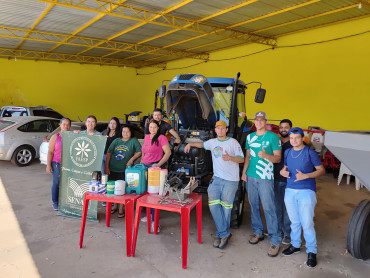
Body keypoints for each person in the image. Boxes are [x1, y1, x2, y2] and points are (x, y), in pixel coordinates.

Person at [184, 120, 244, 249]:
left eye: (222, 128)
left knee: (226, 209)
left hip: (230, 180)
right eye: (218, 128)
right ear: (215, 130)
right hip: (216, 179)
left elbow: (242, 158)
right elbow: (202, 145)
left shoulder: (233, 142)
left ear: (226, 129)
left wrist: (230, 158)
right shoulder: (212, 143)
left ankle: (221, 234)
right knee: (214, 206)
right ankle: (224, 233)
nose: (220, 130)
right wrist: (190, 144)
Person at [280, 127, 325, 268]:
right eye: (292, 138)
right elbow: (285, 168)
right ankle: (295, 245)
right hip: (290, 190)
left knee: (307, 223)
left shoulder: (309, 152)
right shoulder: (287, 152)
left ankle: (312, 251)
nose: (294, 140)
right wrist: (283, 172)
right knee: (294, 221)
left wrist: (306, 175)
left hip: (306, 191)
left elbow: (321, 170)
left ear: (302, 138)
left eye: (297, 138)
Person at [241, 111, 282, 257]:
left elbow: (277, 158)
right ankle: (258, 232)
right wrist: (244, 172)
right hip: (251, 177)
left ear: (266, 121)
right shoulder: (250, 137)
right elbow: (247, 156)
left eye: (261, 120)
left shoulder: (273, 137)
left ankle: (275, 239)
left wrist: (266, 156)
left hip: (265, 177)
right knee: (253, 205)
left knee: (269, 207)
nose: (258, 122)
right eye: (256, 120)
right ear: (255, 121)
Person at [105, 124, 142, 218]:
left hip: (125, 170)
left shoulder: (133, 141)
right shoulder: (116, 140)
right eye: (123, 131)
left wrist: (131, 160)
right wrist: (106, 167)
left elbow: (139, 151)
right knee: (113, 189)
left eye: (127, 131)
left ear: (131, 132)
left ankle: (121, 208)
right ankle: (115, 205)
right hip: (112, 168)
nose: (125, 133)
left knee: (122, 189)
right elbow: (109, 154)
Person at [140, 119, 171, 231]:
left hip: (156, 169)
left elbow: (168, 153)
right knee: (146, 193)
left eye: (154, 127)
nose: (152, 129)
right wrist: (142, 160)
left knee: (154, 195)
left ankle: (154, 220)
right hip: (145, 168)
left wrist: (158, 164)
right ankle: (149, 215)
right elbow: (144, 150)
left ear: (158, 128)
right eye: (150, 127)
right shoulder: (146, 137)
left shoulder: (161, 138)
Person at [273, 119, 293, 245]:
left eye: (286, 127)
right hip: (275, 179)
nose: (283, 129)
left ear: (290, 128)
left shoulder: (295, 142)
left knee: (289, 209)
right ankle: (277, 231)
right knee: (277, 207)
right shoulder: (276, 142)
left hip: (290, 181)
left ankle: (288, 234)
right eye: (281, 127)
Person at [46, 118, 71, 211]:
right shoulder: (55, 137)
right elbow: (50, 152)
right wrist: (48, 165)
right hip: (56, 163)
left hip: (68, 164)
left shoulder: (71, 137)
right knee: (56, 183)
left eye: (68, 125)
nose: (66, 126)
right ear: (60, 125)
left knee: (66, 184)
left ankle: (64, 201)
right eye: (64, 124)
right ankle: (55, 202)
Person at [101, 117, 121, 207]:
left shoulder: (119, 134)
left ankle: (111, 198)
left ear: (117, 125)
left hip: (112, 158)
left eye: (114, 123)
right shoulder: (104, 132)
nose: (112, 125)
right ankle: (104, 199)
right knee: (104, 177)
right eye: (110, 123)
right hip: (102, 157)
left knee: (111, 177)